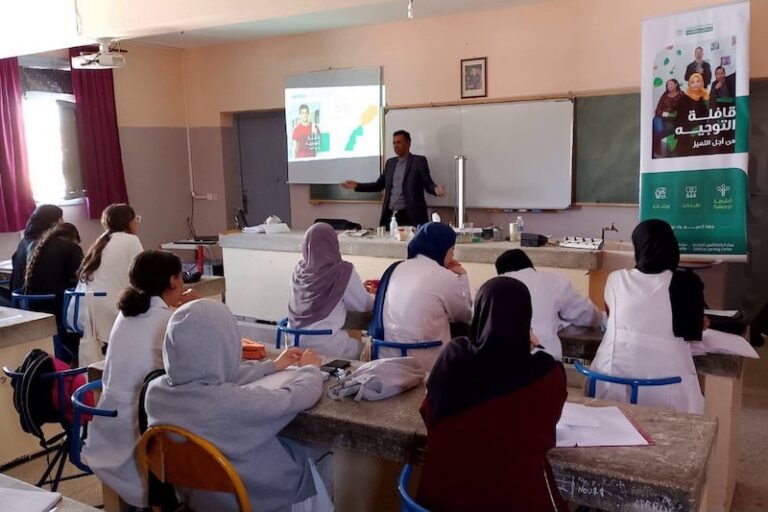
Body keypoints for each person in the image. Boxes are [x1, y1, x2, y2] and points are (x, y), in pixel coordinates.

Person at [145, 300, 332, 512]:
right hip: (254, 500)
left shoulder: (154, 393)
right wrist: (310, 369)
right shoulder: (232, 403)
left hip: (200, 499)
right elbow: (298, 396)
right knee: (319, 451)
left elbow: (212, 378)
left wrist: (272, 366)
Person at [417, 277, 568, 512]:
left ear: (479, 315)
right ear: (526, 322)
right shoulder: (546, 374)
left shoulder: (452, 358)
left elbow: (429, 414)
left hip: (438, 503)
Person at [83, 250, 199, 508]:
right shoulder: (169, 321)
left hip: (109, 431)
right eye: (181, 277)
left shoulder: (126, 315)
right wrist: (195, 310)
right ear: (172, 281)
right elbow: (202, 365)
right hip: (141, 440)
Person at [590, 219, 706, 414]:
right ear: (672, 247)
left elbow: (613, 316)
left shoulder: (616, 279)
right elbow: (693, 330)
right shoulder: (687, 283)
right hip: (667, 389)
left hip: (610, 382)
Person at [373, 222, 472, 371]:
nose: (453, 255)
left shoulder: (395, 268)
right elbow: (464, 314)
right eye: (452, 249)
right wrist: (463, 276)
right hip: (426, 361)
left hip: (386, 356)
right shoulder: (444, 276)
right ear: (442, 249)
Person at [495, 249, 601, 361]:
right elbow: (586, 315)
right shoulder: (553, 280)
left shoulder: (488, 288)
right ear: (531, 267)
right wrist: (601, 319)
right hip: (545, 367)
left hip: (498, 369)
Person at [288, 222, 374, 359]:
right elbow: (364, 305)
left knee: (349, 336)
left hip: (295, 347)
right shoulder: (342, 271)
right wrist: (377, 294)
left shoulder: (298, 271)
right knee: (368, 350)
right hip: (328, 347)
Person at [72, 203, 144, 346]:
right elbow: (144, 274)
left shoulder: (101, 240)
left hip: (82, 311)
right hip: (109, 311)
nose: (137, 222)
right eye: (136, 218)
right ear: (128, 221)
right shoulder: (131, 240)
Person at [341, 130, 446, 227]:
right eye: (394, 143)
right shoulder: (390, 163)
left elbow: (427, 183)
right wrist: (357, 185)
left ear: (408, 143)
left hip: (410, 215)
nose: (396, 146)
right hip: (390, 214)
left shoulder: (418, 162)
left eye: (399, 142)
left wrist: (435, 190)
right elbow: (378, 185)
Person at [23, 222, 83, 363]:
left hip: (33, 306)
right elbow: (81, 278)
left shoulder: (37, 245)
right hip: (57, 307)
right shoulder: (72, 248)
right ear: (73, 237)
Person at [9, 204, 63, 294]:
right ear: (54, 222)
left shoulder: (24, 242)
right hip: (41, 302)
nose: (63, 222)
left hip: (18, 298)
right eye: (61, 218)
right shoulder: (49, 245)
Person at [673, 72, 710, 157]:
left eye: (698, 81)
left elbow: (707, 113)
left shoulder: (705, 95)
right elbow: (680, 117)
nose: (695, 84)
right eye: (692, 82)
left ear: (702, 82)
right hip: (685, 127)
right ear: (689, 84)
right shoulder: (683, 98)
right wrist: (693, 127)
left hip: (701, 126)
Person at [652, 79, 682, 157]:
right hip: (660, 117)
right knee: (656, 129)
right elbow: (658, 109)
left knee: (662, 130)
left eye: (671, 84)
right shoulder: (664, 95)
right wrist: (668, 114)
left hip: (674, 120)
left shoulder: (681, 95)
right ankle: (655, 151)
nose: (669, 86)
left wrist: (674, 115)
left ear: (676, 84)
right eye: (668, 85)